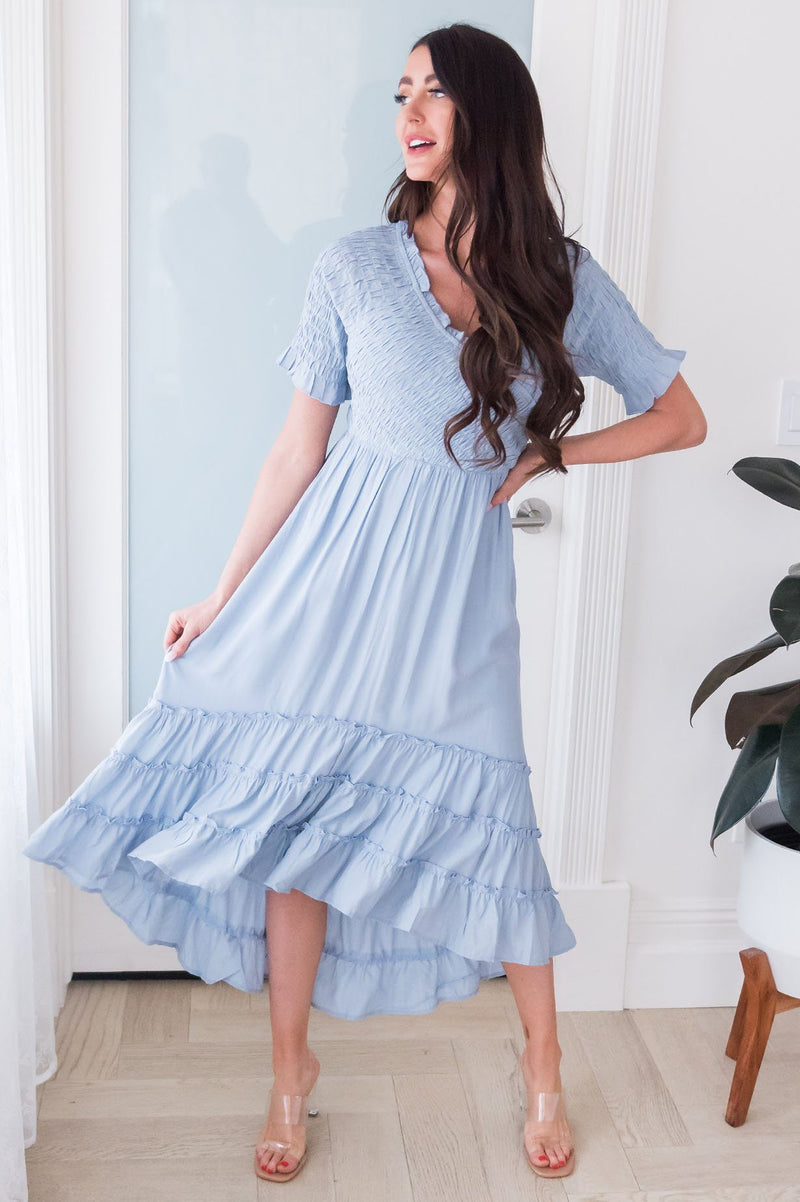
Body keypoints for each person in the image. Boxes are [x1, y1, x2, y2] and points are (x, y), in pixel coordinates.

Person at [23, 21, 705, 1187]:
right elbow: (295, 453)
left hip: (454, 611)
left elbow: (677, 418)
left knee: (496, 832)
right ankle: (290, 1072)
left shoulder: (559, 276)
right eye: (400, 93)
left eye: (432, 92)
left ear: (488, 112)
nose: (409, 114)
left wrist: (554, 455)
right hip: (325, 591)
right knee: (299, 829)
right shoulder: (350, 266)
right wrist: (221, 594)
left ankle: (541, 1064)